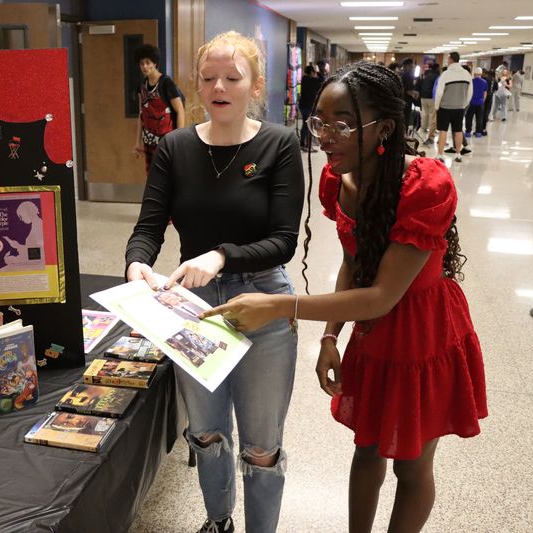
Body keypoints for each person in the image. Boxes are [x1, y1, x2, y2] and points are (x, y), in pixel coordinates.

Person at [202, 61, 488, 533]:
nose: (325, 137)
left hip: (421, 332)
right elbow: (354, 264)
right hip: (372, 333)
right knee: (367, 448)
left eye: (342, 125)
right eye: (319, 123)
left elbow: (380, 296)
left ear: (386, 129)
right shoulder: (339, 180)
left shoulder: (424, 186)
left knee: (411, 465)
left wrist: (278, 305)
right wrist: (331, 338)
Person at [125, 31, 304, 533]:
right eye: (208, 78)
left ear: (255, 84)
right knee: (205, 432)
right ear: (196, 85)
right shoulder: (175, 148)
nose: (219, 86)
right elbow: (148, 226)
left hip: (264, 300)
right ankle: (217, 521)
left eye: (232, 77)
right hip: (194, 303)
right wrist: (137, 263)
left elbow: (284, 240)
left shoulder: (278, 144)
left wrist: (223, 254)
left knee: (262, 444)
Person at [132, 44, 186, 175]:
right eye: (141, 63)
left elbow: (180, 111)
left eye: (147, 62)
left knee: (166, 175)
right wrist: (137, 142)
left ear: (155, 63)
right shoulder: (141, 86)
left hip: (166, 139)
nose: (144, 66)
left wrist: (178, 140)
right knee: (151, 175)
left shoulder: (166, 83)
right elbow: (141, 114)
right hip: (149, 140)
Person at [434, 52, 472, 162]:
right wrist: (464, 104)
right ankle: (458, 154)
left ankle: (440, 154)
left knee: (443, 131)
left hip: (445, 107)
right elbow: (470, 92)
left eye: (447, 59)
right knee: (458, 130)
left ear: (450, 59)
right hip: (460, 107)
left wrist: (437, 106)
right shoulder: (466, 74)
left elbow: (439, 92)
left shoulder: (446, 74)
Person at [299, 64, 322, 151]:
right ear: (312, 72)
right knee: (309, 126)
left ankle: (302, 144)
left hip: (303, 105)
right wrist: (318, 71)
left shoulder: (304, 79)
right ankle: (308, 146)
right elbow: (322, 79)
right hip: (309, 106)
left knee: (305, 124)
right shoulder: (313, 81)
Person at [418, 63, 440, 144]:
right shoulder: (437, 76)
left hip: (423, 97)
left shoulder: (425, 75)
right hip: (431, 97)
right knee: (432, 116)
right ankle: (431, 133)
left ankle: (423, 128)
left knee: (425, 113)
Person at [465, 67, 488, 137]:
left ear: (474, 74)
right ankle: (478, 132)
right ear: (481, 74)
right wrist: (482, 101)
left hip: (471, 102)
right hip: (480, 103)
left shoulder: (471, 82)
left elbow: (468, 92)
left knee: (469, 118)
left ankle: (468, 132)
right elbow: (485, 93)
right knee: (479, 118)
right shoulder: (484, 82)